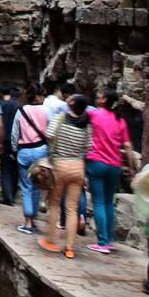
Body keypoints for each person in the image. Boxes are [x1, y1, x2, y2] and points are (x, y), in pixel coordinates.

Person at [38, 94, 91, 259]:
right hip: (78, 168)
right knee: (72, 209)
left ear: (73, 103)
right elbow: (88, 147)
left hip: (60, 165)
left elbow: (49, 135)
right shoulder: (86, 125)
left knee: (54, 203)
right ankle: (69, 248)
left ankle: (51, 240)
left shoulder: (60, 118)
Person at [86, 88, 137, 253]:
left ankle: (101, 243)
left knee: (99, 202)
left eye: (100, 96)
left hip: (96, 163)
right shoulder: (120, 120)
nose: (97, 98)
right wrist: (131, 167)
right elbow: (128, 146)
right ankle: (109, 239)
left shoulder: (95, 114)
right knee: (108, 202)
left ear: (104, 100)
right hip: (114, 165)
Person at [11, 85, 48, 234]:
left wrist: (14, 150)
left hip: (24, 151)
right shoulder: (46, 111)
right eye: (42, 95)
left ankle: (28, 223)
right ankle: (33, 219)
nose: (44, 98)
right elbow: (50, 132)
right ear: (37, 97)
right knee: (37, 185)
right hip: (41, 151)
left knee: (26, 187)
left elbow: (15, 133)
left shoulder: (21, 111)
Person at [0, 87, 20, 205]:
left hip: (5, 140)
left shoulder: (2, 105)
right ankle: (13, 192)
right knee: (15, 168)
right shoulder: (20, 107)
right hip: (17, 141)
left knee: (5, 169)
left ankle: (7, 197)